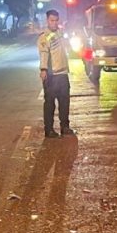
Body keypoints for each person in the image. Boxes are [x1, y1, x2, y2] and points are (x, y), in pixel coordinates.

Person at [37, 9, 75, 138]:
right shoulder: (44, 37)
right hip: (51, 75)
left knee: (64, 102)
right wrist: (43, 69)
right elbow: (44, 54)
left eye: (56, 20)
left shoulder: (61, 33)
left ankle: (65, 127)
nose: (54, 23)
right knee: (50, 104)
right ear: (47, 20)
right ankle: (49, 130)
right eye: (52, 20)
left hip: (63, 73)